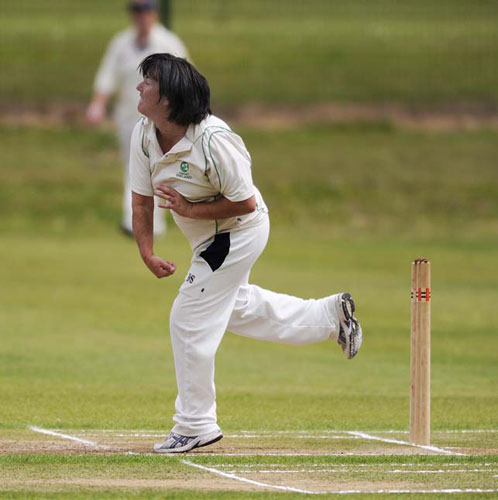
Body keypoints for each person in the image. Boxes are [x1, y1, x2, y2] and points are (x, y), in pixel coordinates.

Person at [130, 53, 363, 453]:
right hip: (208, 237)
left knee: (188, 317)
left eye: (147, 81)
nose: (139, 86)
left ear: (168, 97)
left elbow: (246, 204)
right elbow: (141, 202)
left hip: (237, 232)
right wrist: (148, 253)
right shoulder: (144, 133)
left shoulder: (215, 141)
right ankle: (329, 317)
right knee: (234, 308)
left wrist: (190, 211)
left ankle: (196, 423)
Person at [86, 0, 188, 237]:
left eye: (145, 11)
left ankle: (153, 224)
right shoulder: (121, 43)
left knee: (158, 168)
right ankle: (134, 221)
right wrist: (97, 104)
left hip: (161, 119)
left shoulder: (168, 43)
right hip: (128, 118)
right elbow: (107, 77)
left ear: (154, 14)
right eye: (136, 11)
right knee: (134, 168)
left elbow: (184, 79)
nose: (141, 16)